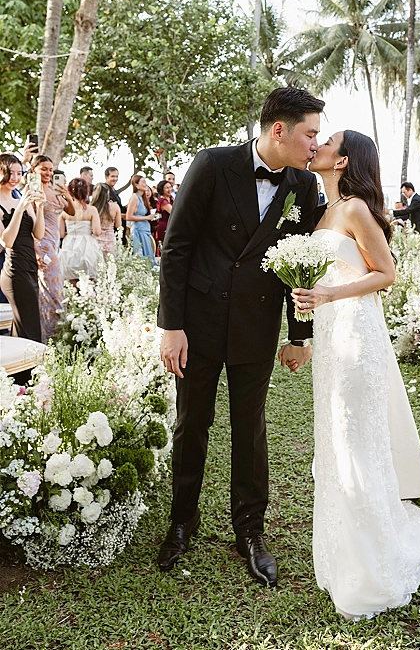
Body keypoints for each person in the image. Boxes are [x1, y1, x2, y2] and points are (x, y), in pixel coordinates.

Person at [157, 87, 324, 583]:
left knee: (249, 430)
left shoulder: (304, 184)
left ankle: (250, 531)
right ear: (279, 130)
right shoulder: (212, 164)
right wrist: (172, 326)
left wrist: (298, 335)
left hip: (257, 324)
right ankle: (181, 522)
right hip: (199, 325)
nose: (315, 143)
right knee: (192, 424)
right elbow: (177, 248)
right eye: (309, 134)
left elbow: (304, 264)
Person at [290, 130, 420, 620]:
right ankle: (343, 551)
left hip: (355, 332)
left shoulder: (353, 208)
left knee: (354, 437)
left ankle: (370, 560)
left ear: (343, 159)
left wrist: (328, 297)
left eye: (326, 141)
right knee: (335, 436)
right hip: (331, 335)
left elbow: (386, 273)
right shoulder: (323, 209)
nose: (317, 146)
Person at [0, 154, 45, 342]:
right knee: (31, 327)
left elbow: (39, 234)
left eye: (19, 173)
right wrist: (19, 208)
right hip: (14, 270)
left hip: (30, 268)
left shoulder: (21, 198)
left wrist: (40, 207)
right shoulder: (10, 203)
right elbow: (6, 241)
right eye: (10, 173)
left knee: (23, 327)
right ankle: (31, 370)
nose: (15, 178)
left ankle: (16, 371)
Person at [31, 155, 75, 341]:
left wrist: (66, 194)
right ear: (34, 170)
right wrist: (36, 250)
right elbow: (30, 222)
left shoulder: (55, 190)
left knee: (52, 289)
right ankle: (50, 335)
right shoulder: (33, 191)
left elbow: (72, 212)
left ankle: (55, 332)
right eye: (44, 169)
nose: (48, 173)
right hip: (42, 245)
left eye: (50, 169)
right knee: (52, 290)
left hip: (54, 244)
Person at [59, 178, 103, 283]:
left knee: (71, 278)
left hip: (69, 245)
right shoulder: (92, 210)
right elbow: (97, 232)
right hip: (87, 246)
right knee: (89, 279)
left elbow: (60, 234)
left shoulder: (64, 211)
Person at [126, 175, 156, 261]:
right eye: (143, 182)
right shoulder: (134, 197)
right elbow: (129, 216)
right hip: (139, 230)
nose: (145, 184)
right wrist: (146, 217)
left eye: (145, 182)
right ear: (136, 185)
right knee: (142, 256)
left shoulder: (143, 198)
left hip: (145, 229)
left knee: (149, 255)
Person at [92, 183, 122, 254]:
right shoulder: (115, 207)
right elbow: (118, 225)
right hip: (109, 242)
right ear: (108, 193)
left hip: (94, 241)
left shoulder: (91, 208)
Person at [155, 180, 173, 252]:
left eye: (170, 187)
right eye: (167, 188)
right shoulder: (163, 201)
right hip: (164, 226)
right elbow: (173, 211)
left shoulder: (171, 198)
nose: (169, 189)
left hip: (170, 224)